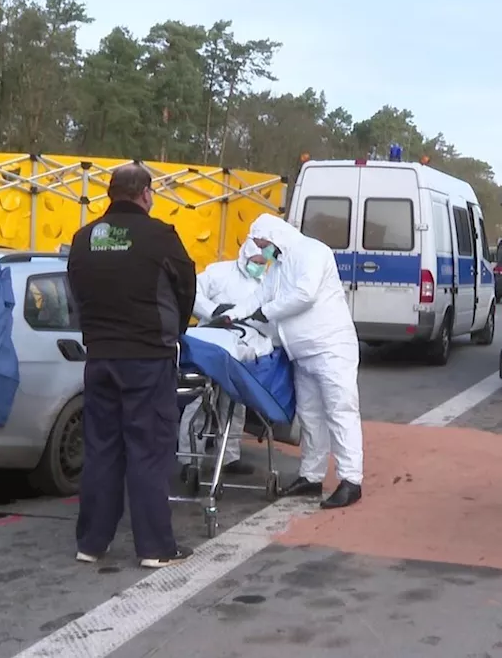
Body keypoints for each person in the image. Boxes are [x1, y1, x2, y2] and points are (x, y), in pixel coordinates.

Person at [66, 163, 197, 568]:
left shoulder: (84, 238)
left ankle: (91, 543)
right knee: (148, 451)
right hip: (147, 357)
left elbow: (75, 291)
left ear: (110, 193)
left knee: (102, 450)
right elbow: (186, 285)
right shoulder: (160, 236)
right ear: (144, 194)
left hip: (100, 356)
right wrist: (175, 329)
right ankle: (155, 547)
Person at [218, 214, 364, 509]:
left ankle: (351, 480)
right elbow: (259, 295)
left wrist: (266, 313)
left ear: (275, 236)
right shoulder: (280, 264)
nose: (263, 251)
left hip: (330, 346)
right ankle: (311, 476)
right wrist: (231, 315)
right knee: (310, 417)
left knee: (340, 411)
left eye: (264, 244)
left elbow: (304, 295)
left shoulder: (312, 251)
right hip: (301, 351)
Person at [185, 237, 270, 475]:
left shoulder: (265, 282)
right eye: (256, 261)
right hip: (211, 346)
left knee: (236, 404)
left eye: (263, 262)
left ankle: (229, 457)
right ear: (246, 256)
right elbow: (192, 292)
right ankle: (191, 459)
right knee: (200, 402)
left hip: (240, 350)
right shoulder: (219, 273)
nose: (260, 266)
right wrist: (213, 311)